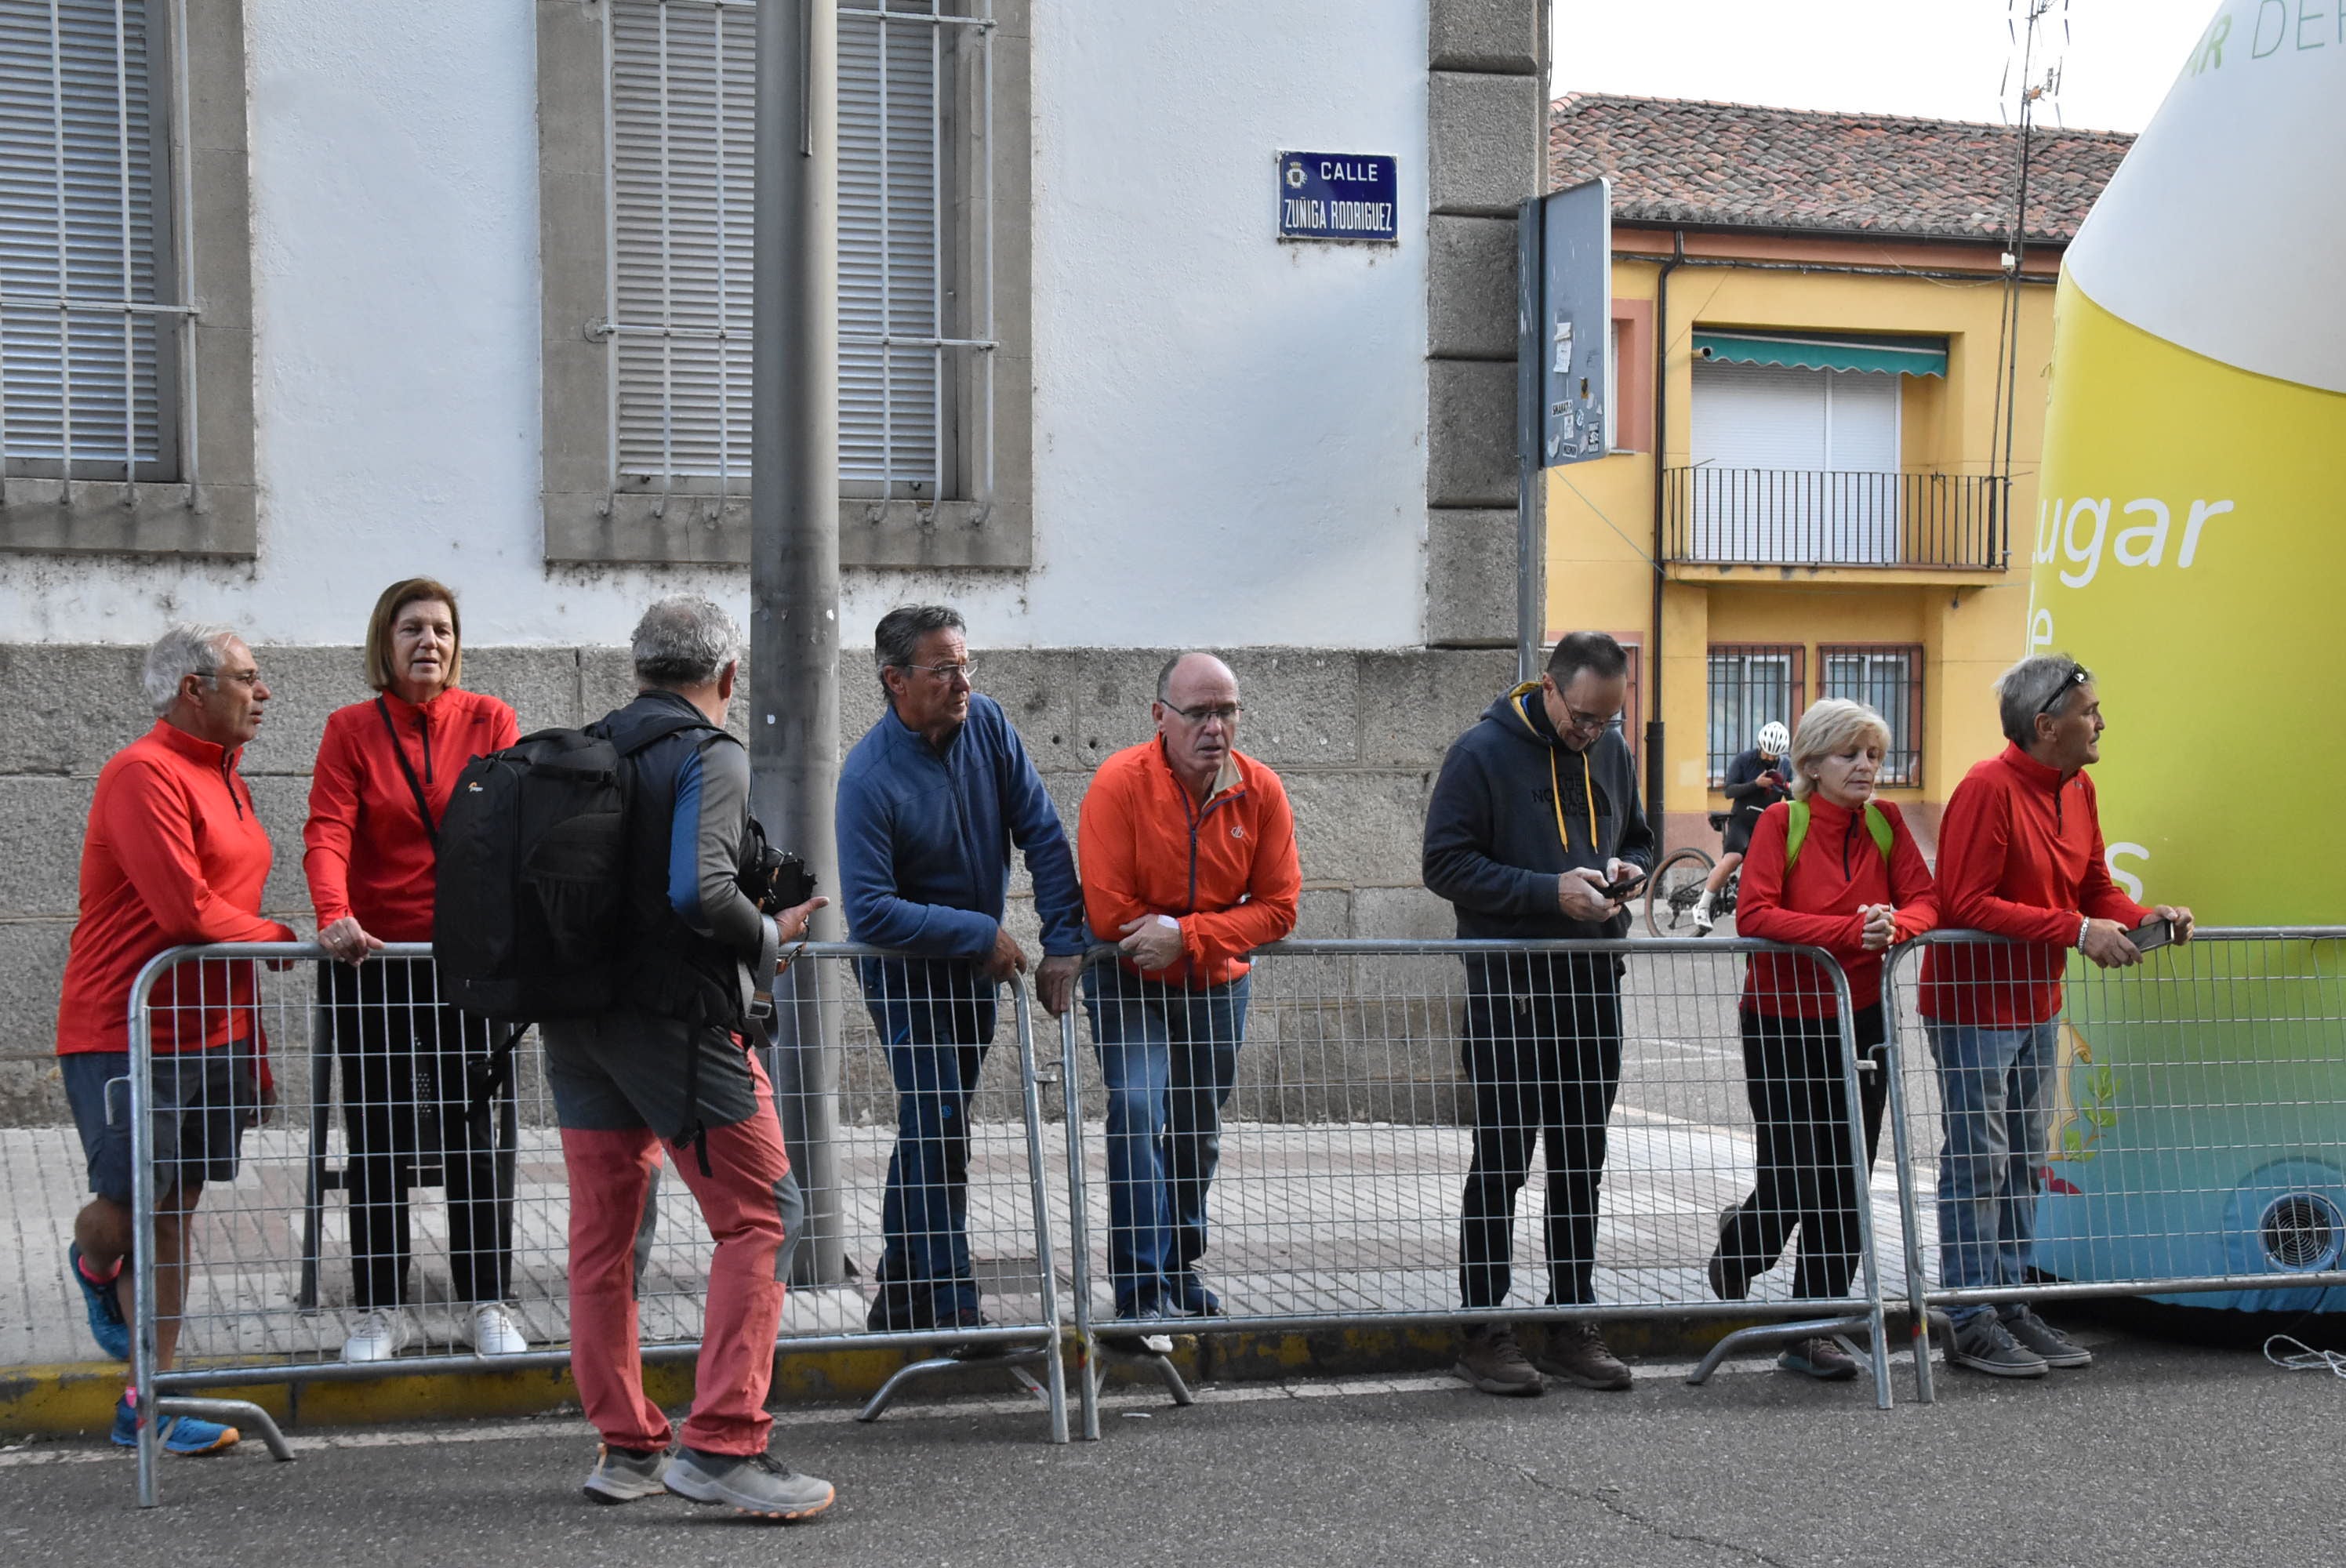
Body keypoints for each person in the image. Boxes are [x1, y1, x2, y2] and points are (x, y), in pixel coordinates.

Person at [541, 597, 833, 1519]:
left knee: (606, 1234)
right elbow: (700, 890)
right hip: (677, 1023)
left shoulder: (592, 746)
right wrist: (770, 935)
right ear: (728, 676)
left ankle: (626, 1443)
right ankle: (722, 1442)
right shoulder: (710, 751)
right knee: (764, 1214)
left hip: (578, 1023)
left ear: (638, 668)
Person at [58, 625, 299, 1455]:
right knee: (127, 1213)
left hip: (216, 1033)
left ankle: (146, 1400)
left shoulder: (228, 778)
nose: (263, 693)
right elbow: (187, 913)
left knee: (175, 1213)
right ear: (193, 687)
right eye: (248, 677)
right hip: (127, 1028)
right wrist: (284, 936)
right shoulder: (141, 772)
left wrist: (253, 1049)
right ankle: (93, 1263)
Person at [1919, 654, 2192, 1379]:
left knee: (2025, 1163)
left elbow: (2096, 884)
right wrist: (2075, 931)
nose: (2103, 721)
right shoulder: (1986, 788)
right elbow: (1964, 903)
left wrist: (2145, 916)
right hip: (1974, 1008)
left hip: (2036, 1004)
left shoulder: (2081, 787)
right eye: (2090, 711)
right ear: (2046, 726)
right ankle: (1970, 1314)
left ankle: (2007, 1302)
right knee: (1979, 1162)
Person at [836, 604, 1086, 1339]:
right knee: (939, 1122)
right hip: (907, 976)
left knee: (933, 1127)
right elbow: (872, 911)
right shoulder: (867, 777)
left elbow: (1041, 831)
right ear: (896, 681)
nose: (961, 681)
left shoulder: (990, 727)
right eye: (944, 668)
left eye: (965, 664)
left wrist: (1064, 938)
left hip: (976, 972)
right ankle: (952, 1302)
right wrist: (979, 931)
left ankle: (900, 1294)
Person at [1422, 630, 1654, 1397]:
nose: (1592, 732)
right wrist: (1547, 892)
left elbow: (1638, 837)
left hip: (1592, 977)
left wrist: (1629, 869)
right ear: (1550, 688)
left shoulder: (1611, 750)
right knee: (1502, 1160)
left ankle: (1570, 1318)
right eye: (1583, 716)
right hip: (1512, 986)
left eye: (1607, 719)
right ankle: (1482, 1328)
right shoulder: (1480, 753)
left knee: (1581, 1159)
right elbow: (1445, 863)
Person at [303, 578, 526, 1363]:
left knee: (473, 1133)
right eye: (411, 628)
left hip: (465, 960)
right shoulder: (350, 729)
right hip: (374, 957)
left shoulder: (490, 719)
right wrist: (334, 912)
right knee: (378, 1136)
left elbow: (511, 825)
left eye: (440, 628)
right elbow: (327, 828)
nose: (427, 641)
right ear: (384, 641)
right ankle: (378, 1308)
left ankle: (485, 1299)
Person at [1705, 699, 1937, 1380]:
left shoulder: (1887, 823)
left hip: (1861, 1019)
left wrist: (1896, 925)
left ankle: (1815, 1327)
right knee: (1792, 1169)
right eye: (1850, 754)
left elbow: (1929, 899)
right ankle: (1743, 1247)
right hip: (1781, 1019)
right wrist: (1847, 933)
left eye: (1874, 754)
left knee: (1848, 1178)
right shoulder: (1783, 820)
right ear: (1811, 763)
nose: (1866, 766)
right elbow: (1756, 913)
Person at [1077, 653, 1299, 1343]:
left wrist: (1189, 935)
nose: (1214, 727)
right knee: (1139, 1108)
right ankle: (1140, 1289)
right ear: (1159, 717)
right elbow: (1110, 910)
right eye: (1198, 712)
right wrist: (1173, 939)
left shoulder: (1259, 790)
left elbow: (1282, 907)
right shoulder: (1120, 782)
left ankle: (1179, 1267)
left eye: (1226, 711)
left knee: (1198, 1127)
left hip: (1212, 981)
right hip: (1129, 977)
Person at [1695, 720, 1791, 935]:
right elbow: (1729, 791)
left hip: (1766, 824)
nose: (1769, 759)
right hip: (1742, 820)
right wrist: (1756, 784)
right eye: (1766, 754)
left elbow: (1792, 796)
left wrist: (1786, 786)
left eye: (1774, 756)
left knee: (1772, 865)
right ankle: (1702, 905)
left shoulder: (1785, 766)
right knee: (1734, 858)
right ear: (1760, 746)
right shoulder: (1744, 760)